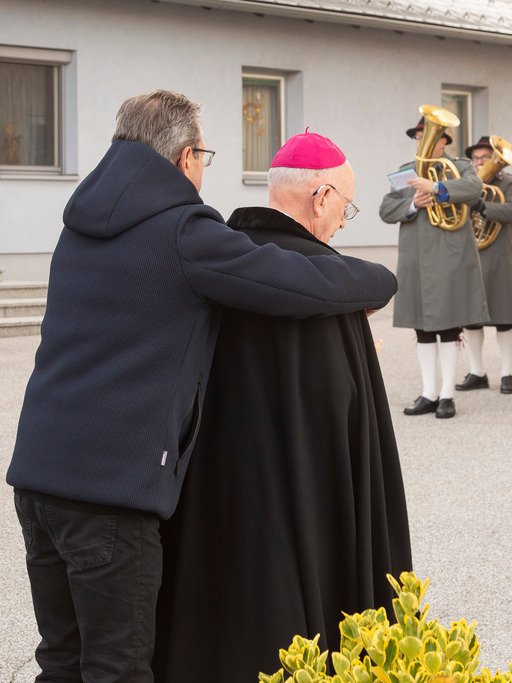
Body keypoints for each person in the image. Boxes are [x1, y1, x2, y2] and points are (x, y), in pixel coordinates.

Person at [7, 91, 398, 682]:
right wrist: (381, 279)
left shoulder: (81, 223)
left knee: (62, 659)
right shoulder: (182, 230)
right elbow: (297, 281)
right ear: (186, 157)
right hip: (111, 493)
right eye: (205, 158)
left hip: (39, 478)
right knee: (118, 668)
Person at [153, 131, 412, 683]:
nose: (343, 222)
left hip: (213, 497)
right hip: (303, 511)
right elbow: (341, 421)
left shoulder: (217, 260)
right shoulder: (330, 283)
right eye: (345, 206)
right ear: (321, 197)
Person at [379, 114, 487, 419]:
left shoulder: (461, 166)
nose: (420, 142)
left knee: (449, 324)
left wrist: (437, 187)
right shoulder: (406, 171)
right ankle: (428, 393)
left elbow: (474, 188)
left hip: (450, 254)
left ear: (443, 141)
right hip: (416, 256)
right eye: (417, 137)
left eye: (426, 136)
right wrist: (413, 203)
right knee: (422, 326)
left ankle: (447, 395)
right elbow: (385, 209)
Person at [456, 136, 512, 394]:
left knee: (504, 316)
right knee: (472, 317)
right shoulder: (466, 183)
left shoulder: (510, 182)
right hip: (471, 255)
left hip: (500, 255)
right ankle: (477, 372)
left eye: (486, 157)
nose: (480, 162)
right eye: (476, 158)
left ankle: (507, 373)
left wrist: (481, 206)